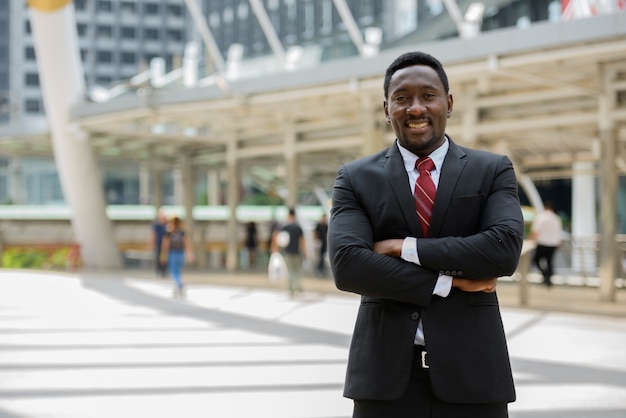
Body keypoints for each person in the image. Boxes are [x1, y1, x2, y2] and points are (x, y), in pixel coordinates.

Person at [328, 51, 524, 417]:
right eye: (401, 98)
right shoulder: (355, 178)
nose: (415, 108)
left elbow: (502, 250)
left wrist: (405, 247)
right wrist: (448, 284)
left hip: (474, 378)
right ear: (386, 109)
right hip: (384, 382)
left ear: (448, 103)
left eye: (428, 95)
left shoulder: (492, 170)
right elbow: (348, 265)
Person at [271, 208, 306, 298]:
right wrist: (304, 251)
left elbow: (276, 236)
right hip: (297, 252)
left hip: (287, 252)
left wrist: (275, 248)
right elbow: (302, 240)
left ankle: (291, 290)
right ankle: (298, 288)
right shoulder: (298, 227)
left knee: (290, 271)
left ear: (288, 215)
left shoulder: (284, 226)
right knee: (297, 271)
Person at [529, 201, 563, 287]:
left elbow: (535, 230)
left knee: (536, 260)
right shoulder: (556, 218)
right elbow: (559, 232)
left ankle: (545, 274)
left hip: (542, 243)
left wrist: (530, 239)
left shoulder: (541, 217)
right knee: (550, 262)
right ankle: (548, 278)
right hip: (553, 243)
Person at [161, 216, 194, 298]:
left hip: (173, 253)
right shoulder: (182, 232)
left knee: (173, 271)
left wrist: (163, 255)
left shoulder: (169, 232)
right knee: (178, 271)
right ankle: (178, 285)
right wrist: (190, 254)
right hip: (181, 253)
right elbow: (187, 244)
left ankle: (179, 285)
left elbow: (165, 245)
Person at [148, 209, 168, 278]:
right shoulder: (157, 226)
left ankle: (164, 271)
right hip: (159, 244)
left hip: (166, 246)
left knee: (164, 258)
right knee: (158, 257)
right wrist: (151, 244)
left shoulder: (167, 226)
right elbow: (153, 235)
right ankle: (159, 271)